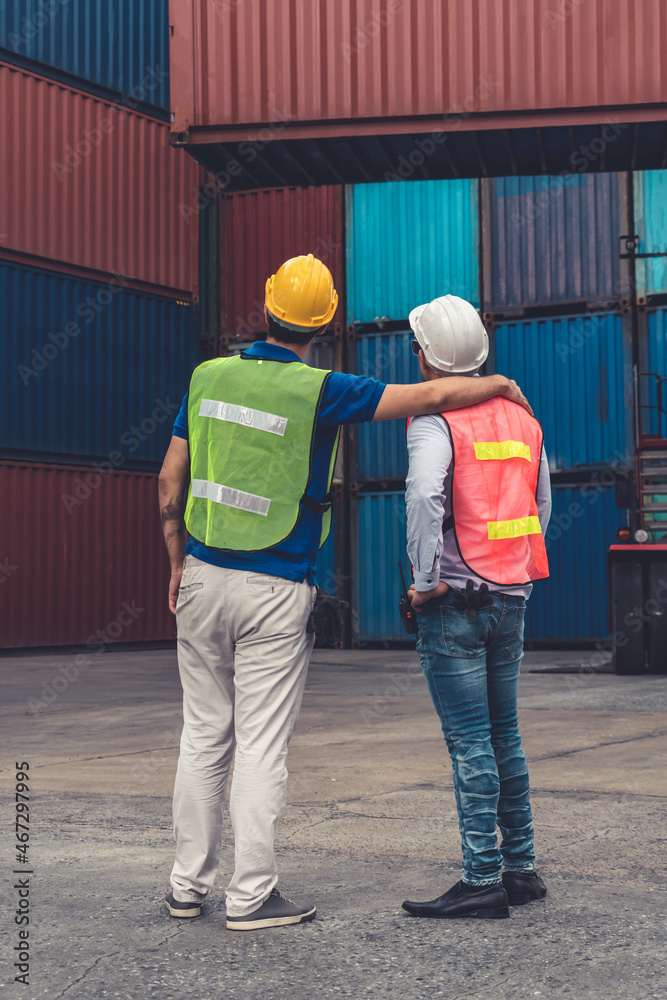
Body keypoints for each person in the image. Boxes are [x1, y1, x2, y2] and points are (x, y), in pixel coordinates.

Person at [157, 257, 533, 931]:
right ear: (325, 323)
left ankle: (187, 888)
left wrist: (175, 561)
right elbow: (425, 398)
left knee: (202, 734)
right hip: (275, 585)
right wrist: (497, 382)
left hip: (201, 578)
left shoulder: (205, 376)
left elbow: (168, 484)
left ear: (264, 306)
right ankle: (249, 897)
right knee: (261, 744)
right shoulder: (324, 389)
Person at [401, 295, 552, 921]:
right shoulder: (522, 418)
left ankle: (481, 879)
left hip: (455, 602)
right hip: (510, 597)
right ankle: (520, 869)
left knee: (469, 743)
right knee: (504, 735)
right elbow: (540, 505)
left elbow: (423, 499)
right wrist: (512, 574)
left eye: (416, 347)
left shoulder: (434, 421)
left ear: (429, 358)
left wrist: (424, 580)